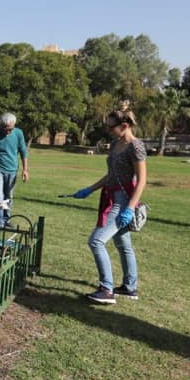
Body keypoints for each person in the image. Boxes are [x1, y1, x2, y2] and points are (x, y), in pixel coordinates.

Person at [71, 109, 147, 305]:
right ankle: (129, 287)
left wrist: (129, 208)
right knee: (123, 244)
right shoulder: (115, 144)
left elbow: (141, 181)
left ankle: (106, 290)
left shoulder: (136, 146)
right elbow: (111, 175)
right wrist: (89, 189)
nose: (108, 130)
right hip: (111, 195)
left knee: (96, 241)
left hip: (123, 201)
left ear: (124, 126)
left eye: (111, 127)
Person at [0, 112, 29, 228]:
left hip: (12, 170)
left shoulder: (18, 133)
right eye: (5, 129)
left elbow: (23, 152)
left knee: (9, 196)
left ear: (14, 126)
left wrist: (25, 170)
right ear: (0, 126)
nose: (8, 131)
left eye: (10, 129)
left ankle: (6, 219)